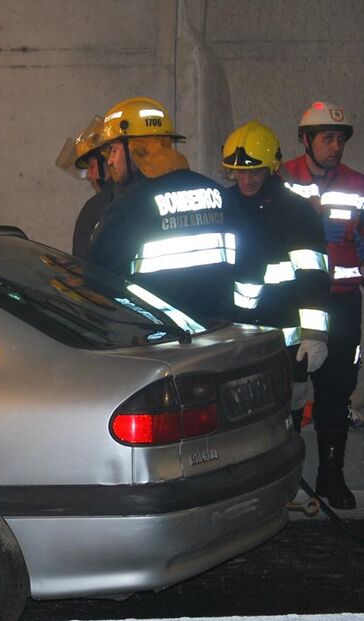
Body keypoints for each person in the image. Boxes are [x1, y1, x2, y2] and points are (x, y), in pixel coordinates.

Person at [86, 97, 241, 321]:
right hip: (218, 335)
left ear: (136, 148)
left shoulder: (129, 207)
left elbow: (97, 281)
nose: (110, 161)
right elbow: (248, 265)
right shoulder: (218, 193)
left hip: (158, 339)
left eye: (114, 150)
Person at [221, 120, 330, 434]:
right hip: (235, 338)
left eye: (254, 172)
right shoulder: (224, 206)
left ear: (271, 168)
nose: (246, 179)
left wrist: (315, 335)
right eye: (239, 172)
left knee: (286, 424)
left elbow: (313, 275)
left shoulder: (296, 211)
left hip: (285, 343)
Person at [281, 101, 364, 509]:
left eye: (341, 139)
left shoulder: (357, 184)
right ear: (305, 140)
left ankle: (331, 476)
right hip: (295, 303)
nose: (336, 146)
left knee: (336, 394)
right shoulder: (281, 180)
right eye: (328, 138)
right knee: (290, 395)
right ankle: (287, 482)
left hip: (344, 304)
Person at [55, 115, 115, 258]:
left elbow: (81, 262)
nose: (89, 175)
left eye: (92, 166)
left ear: (107, 162)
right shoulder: (139, 195)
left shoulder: (95, 207)